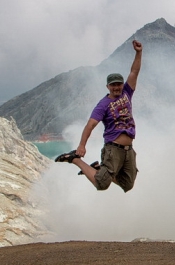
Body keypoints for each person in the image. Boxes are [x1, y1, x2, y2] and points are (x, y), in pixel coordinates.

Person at [55, 40, 142, 193]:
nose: (116, 87)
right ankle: (74, 160)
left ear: (122, 85)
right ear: (108, 86)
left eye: (118, 84)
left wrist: (138, 52)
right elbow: (90, 125)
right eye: (113, 85)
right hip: (113, 148)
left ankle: (98, 168)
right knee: (101, 184)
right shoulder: (103, 104)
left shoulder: (127, 92)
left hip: (128, 149)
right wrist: (81, 146)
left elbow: (134, 72)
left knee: (127, 185)